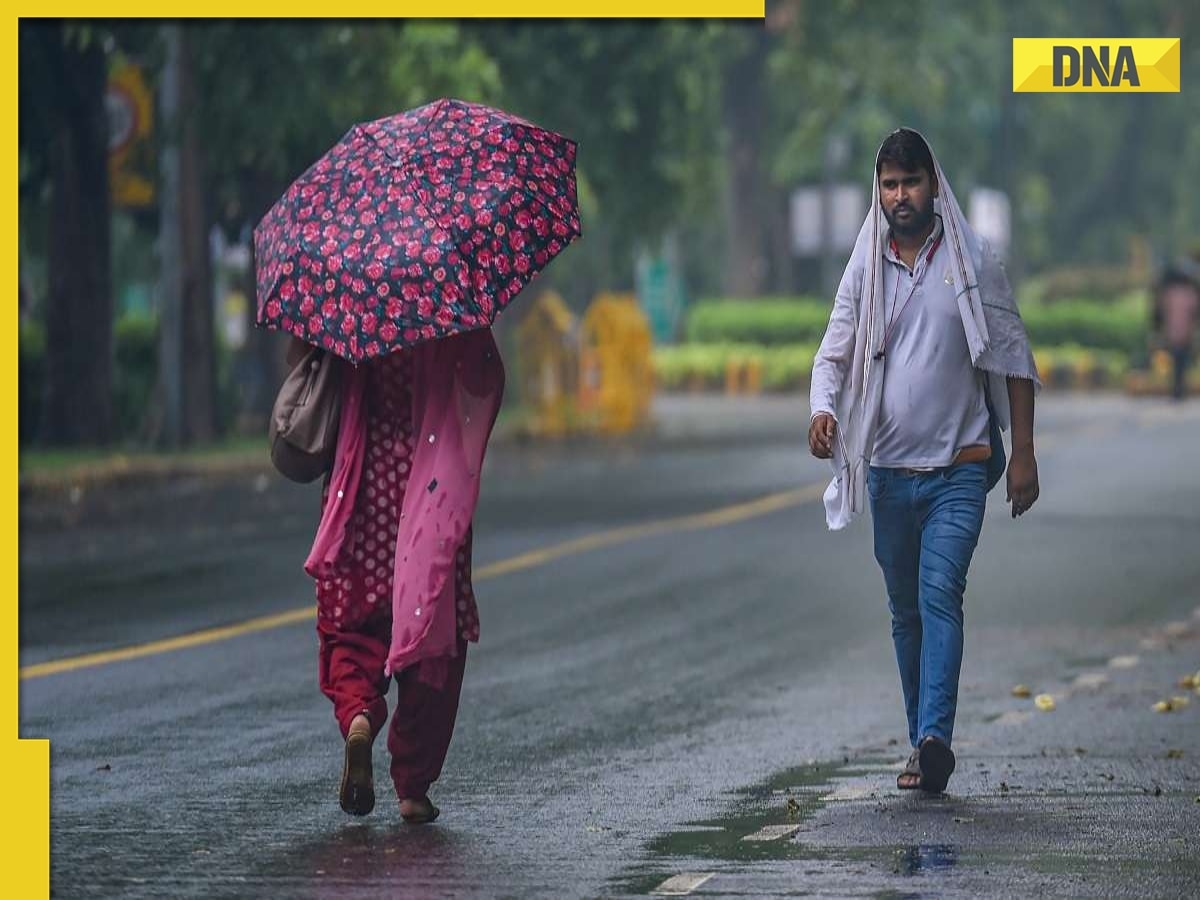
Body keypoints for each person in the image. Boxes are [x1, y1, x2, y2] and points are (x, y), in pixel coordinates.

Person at [807, 128, 1041, 793]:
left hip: (959, 468)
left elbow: (1013, 359)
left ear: (934, 185)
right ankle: (921, 744)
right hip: (887, 473)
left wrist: (1022, 453)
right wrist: (823, 412)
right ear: (876, 191)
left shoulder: (973, 262)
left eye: (910, 182)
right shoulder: (864, 269)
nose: (900, 195)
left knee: (941, 593)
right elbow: (834, 352)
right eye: (888, 184)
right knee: (904, 610)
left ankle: (936, 733)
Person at [294, 328, 504, 823]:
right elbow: (486, 377)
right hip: (429, 492)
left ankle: (359, 715)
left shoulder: (350, 309)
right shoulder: (450, 310)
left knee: (352, 625)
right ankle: (412, 785)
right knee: (432, 632)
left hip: (363, 487)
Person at [1155, 267, 1199, 401]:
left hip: (1172, 332)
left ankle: (1176, 389)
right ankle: (1180, 389)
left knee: (1175, 361)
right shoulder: (1190, 293)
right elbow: (1195, 312)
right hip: (1186, 332)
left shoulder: (1169, 293)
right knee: (1182, 362)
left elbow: (1161, 312)